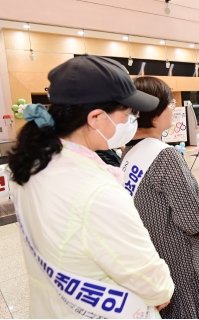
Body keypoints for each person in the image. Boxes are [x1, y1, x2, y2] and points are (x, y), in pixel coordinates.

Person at [8, 55, 174, 318]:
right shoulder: (97, 190)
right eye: (129, 113)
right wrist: (162, 290)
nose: (133, 120)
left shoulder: (32, 164)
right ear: (96, 117)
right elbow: (149, 278)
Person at [121, 76, 199, 319]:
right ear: (155, 112)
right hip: (178, 258)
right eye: (170, 103)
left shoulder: (128, 152)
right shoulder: (165, 156)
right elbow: (191, 222)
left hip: (150, 254)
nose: (174, 108)